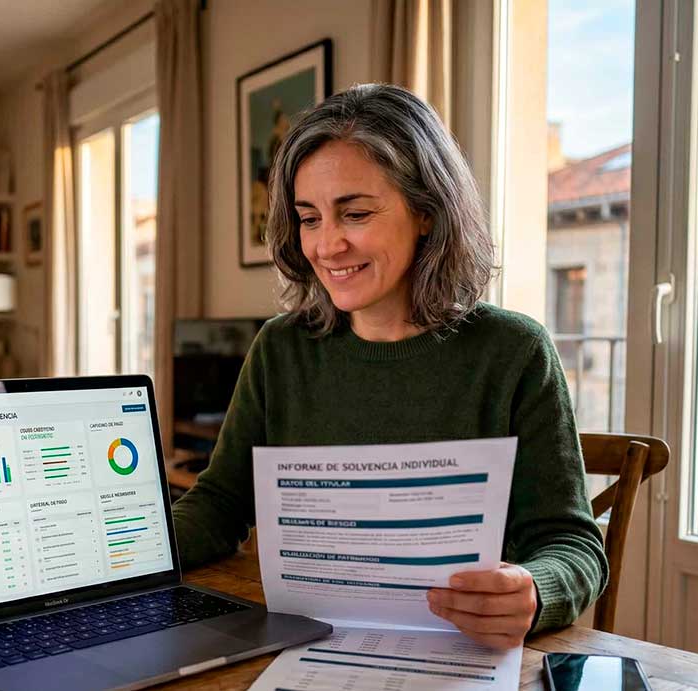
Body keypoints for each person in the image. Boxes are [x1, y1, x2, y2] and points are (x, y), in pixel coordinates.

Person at [172, 83, 608, 650]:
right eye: (309, 218)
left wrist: (534, 589)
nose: (327, 246)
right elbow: (221, 504)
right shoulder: (282, 350)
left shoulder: (513, 352)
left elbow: (570, 545)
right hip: (304, 647)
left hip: (459, 654)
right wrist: (114, 555)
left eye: (354, 213)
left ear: (427, 213)